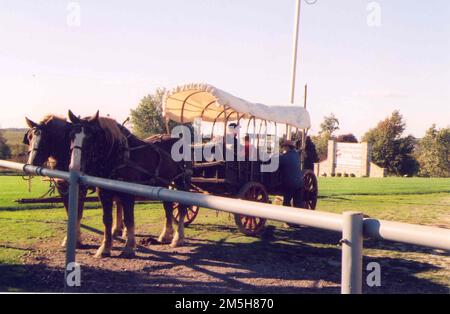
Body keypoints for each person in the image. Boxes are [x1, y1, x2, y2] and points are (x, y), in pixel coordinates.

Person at [279, 140, 304, 207]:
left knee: (286, 202)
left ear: (287, 147)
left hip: (290, 183)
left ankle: (287, 216)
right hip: (300, 183)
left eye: (284, 147)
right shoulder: (296, 156)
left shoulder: (285, 157)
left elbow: (277, 162)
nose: (283, 148)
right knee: (298, 204)